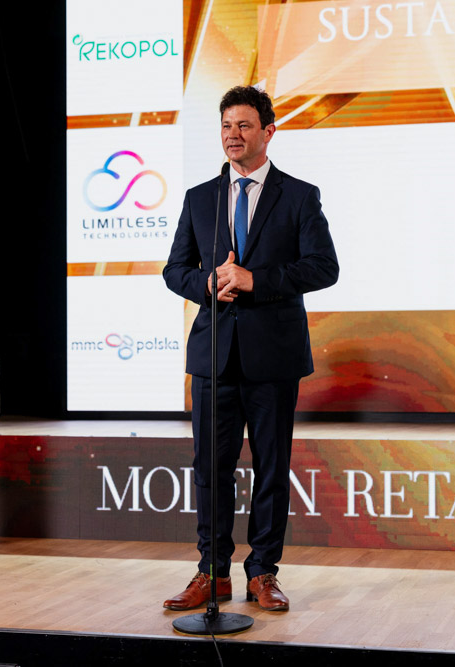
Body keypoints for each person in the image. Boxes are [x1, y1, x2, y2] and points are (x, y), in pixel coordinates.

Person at [162, 85, 339, 611]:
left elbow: (323, 268)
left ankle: (262, 572)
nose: (232, 135)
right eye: (226, 126)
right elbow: (174, 270)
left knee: (271, 469)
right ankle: (212, 573)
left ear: (268, 131)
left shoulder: (299, 195)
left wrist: (255, 280)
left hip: (273, 356)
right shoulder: (200, 197)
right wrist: (208, 284)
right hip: (213, 356)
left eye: (243, 125)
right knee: (210, 470)